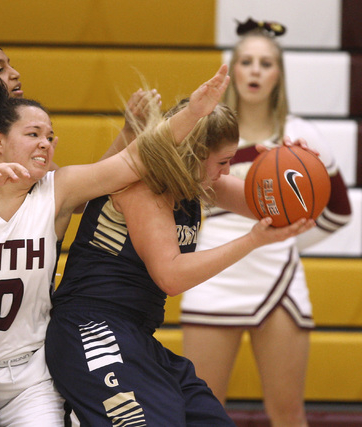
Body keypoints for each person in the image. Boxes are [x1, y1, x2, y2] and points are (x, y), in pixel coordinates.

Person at [0, 47, 232, 424]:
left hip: (31, 373)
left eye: (50, 136)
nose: (45, 142)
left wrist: (193, 113)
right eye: (33, 133)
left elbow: (135, 159)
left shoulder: (58, 190)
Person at [44, 93, 316, 425]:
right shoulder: (141, 186)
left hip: (136, 336)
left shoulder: (195, 183)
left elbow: (279, 210)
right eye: (223, 161)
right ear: (194, 155)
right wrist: (251, 241)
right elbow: (170, 276)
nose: (227, 170)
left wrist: (290, 164)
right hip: (93, 328)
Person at [180, 18, 352, 427]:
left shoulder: (301, 138)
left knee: (289, 412)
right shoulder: (206, 131)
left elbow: (340, 211)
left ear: (279, 75)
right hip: (214, 275)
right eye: (247, 62)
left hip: (278, 279)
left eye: (266, 63)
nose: (255, 71)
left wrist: (287, 239)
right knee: (203, 412)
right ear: (232, 69)